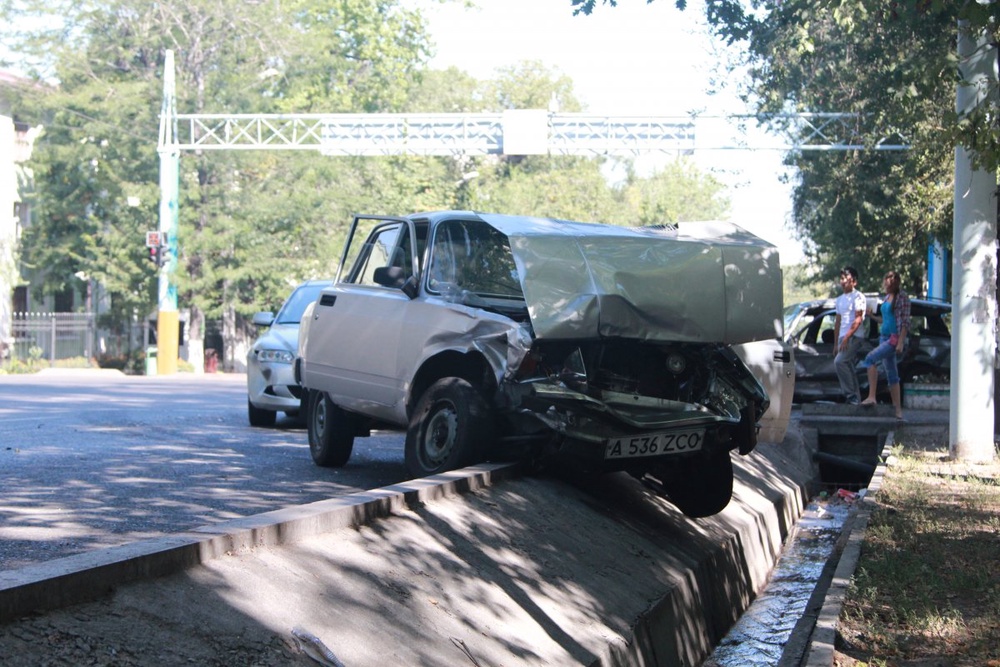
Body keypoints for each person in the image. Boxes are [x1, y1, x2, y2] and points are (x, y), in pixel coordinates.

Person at [859, 270, 911, 420]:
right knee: (892, 374)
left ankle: (872, 396)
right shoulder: (887, 297)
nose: (886, 286)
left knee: (870, 359)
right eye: (885, 283)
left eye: (889, 284)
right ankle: (898, 411)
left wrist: (900, 342)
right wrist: (871, 316)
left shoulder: (902, 298)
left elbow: (905, 322)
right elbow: (885, 320)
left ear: (894, 284)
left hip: (893, 338)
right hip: (884, 336)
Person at [833, 266, 867, 405]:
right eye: (841, 279)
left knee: (839, 362)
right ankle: (856, 400)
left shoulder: (858, 297)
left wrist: (847, 337)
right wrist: (836, 343)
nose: (843, 282)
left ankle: (850, 394)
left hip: (854, 337)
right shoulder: (839, 300)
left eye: (846, 279)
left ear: (854, 281)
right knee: (848, 365)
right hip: (843, 337)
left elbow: (858, 319)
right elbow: (838, 321)